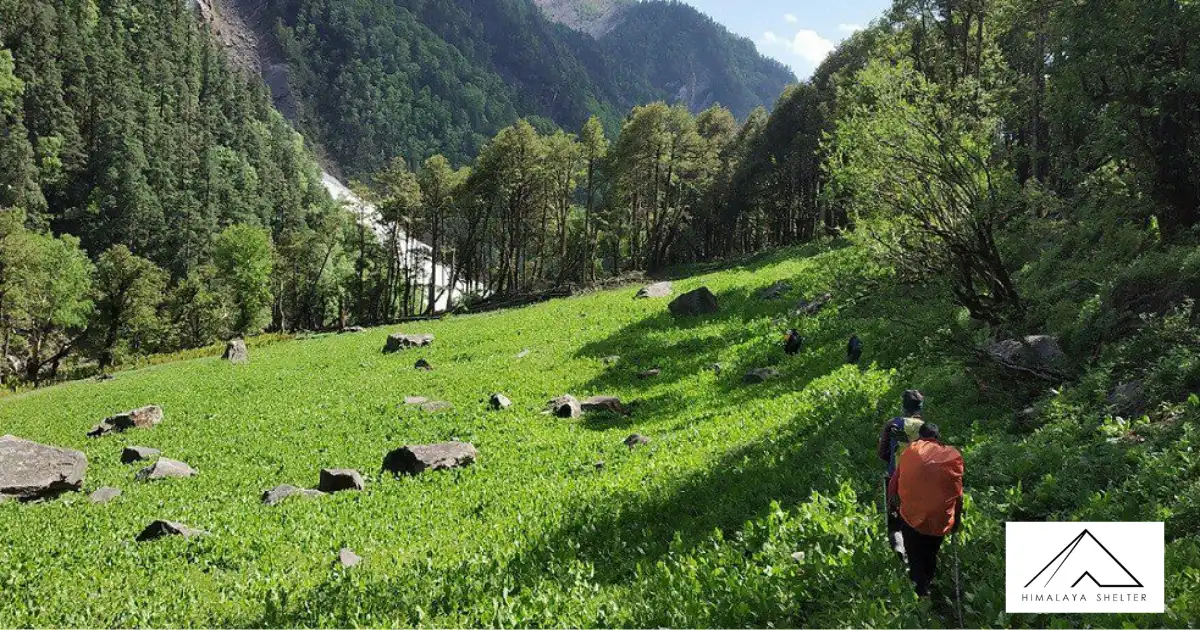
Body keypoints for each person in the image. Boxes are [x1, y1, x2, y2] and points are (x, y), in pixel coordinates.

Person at [888, 423, 964, 597]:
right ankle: (926, 583)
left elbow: (893, 485)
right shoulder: (952, 456)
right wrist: (956, 520)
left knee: (915, 555)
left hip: (911, 516)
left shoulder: (910, 452)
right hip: (940, 520)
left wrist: (893, 506)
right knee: (931, 553)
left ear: (919, 437)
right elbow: (958, 495)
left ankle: (919, 591)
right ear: (937, 438)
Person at [878, 390, 925, 556]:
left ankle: (899, 546)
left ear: (903, 406)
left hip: (895, 480)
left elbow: (882, 452)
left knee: (894, 520)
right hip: (919, 482)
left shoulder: (892, 424)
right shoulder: (926, 428)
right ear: (920, 407)